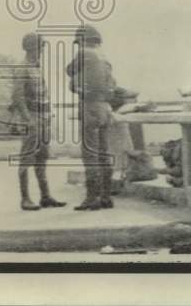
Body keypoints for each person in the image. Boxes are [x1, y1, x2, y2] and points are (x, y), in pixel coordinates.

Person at [9, 33, 67, 211]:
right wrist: (28, 120)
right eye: (40, 46)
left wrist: (48, 116)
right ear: (31, 48)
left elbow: (42, 94)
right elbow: (17, 97)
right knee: (26, 158)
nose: (42, 50)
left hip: (43, 117)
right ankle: (25, 199)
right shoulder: (22, 67)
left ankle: (45, 197)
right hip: (32, 118)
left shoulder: (36, 66)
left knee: (42, 157)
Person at [65, 24, 116, 210]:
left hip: (90, 106)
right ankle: (106, 197)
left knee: (90, 153)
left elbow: (69, 71)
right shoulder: (104, 58)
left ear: (83, 41)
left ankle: (91, 198)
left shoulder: (84, 54)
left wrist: (76, 81)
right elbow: (113, 86)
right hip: (105, 107)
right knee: (104, 153)